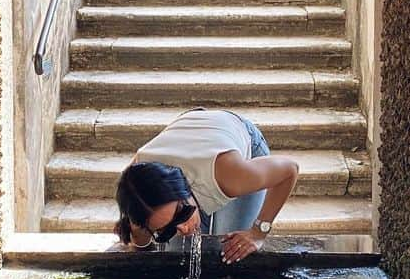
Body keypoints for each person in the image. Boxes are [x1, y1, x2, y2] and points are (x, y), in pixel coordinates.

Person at [113, 108, 299, 264]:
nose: (184, 229)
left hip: (231, 133)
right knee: (177, 257)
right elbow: (138, 243)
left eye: (182, 214)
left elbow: (290, 169)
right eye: (166, 230)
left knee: (230, 250)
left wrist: (259, 232)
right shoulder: (136, 192)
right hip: (188, 134)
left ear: (186, 187)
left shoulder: (231, 176)